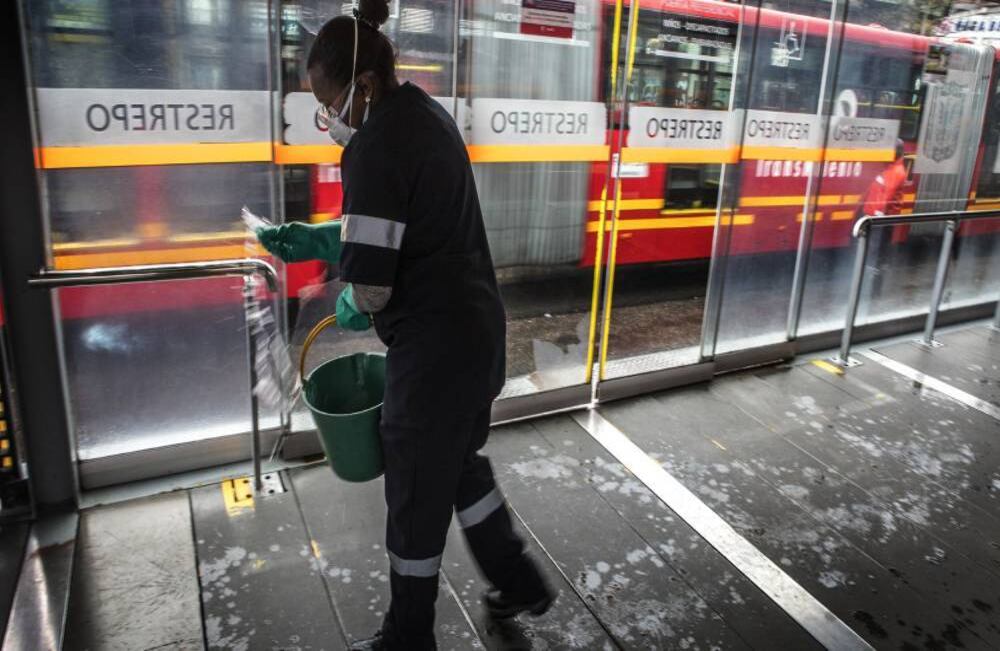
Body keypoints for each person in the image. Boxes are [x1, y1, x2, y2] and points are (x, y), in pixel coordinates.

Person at [256, 1, 554, 648]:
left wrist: (352, 298)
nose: (328, 118)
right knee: (460, 469)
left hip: (436, 351)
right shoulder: (424, 113)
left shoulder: (374, 145)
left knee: (416, 492)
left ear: (363, 86)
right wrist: (325, 238)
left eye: (328, 101)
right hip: (477, 336)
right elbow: (400, 222)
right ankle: (522, 583)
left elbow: (372, 282)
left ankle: (408, 634)